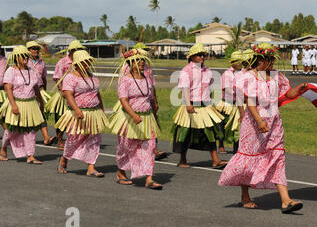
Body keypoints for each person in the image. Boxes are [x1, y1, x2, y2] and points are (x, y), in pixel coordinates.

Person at [218, 43, 307, 214]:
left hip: (275, 123)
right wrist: (259, 121)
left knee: (278, 156)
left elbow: (285, 94)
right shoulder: (249, 77)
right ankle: (245, 196)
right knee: (249, 159)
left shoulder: (275, 76)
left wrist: (299, 90)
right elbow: (250, 101)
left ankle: (286, 200)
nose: (273, 62)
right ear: (260, 60)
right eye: (270, 59)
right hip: (254, 124)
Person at [109, 49, 162, 189]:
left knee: (149, 148)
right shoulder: (125, 80)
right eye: (138, 60)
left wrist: (155, 117)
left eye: (143, 59)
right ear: (131, 63)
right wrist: (133, 115)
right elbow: (123, 100)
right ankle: (121, 173)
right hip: (129, 119)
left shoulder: (147, 79)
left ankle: (149, 178)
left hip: (146, 119)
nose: (142, 62)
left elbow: (150, 99)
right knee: (126, 146)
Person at [172, 43, 227, 169]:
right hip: (191, 105)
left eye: (204, 55)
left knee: (210, 132)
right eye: (199, 55)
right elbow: (185, 88)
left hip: (205, 105)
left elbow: (210, 87)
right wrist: (188, 104)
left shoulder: (207, 71)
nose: (202, 57)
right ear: (192, 57)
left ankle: (215, 160)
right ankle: (183, 159)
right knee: (186, 133)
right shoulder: (186, 71)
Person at [55, 50, 109, 177]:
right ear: (77, 63)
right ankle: (64, 159)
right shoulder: (70, 77)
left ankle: (91, 167)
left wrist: (101, 108)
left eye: (88, 61)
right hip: (78, 113)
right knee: (75, 138)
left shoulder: (92, 76)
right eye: (84, 62)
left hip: (93, 112)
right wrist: (77, 109)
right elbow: (68, 94)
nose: (87, 64)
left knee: (95, 139)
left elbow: (97, 93)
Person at [0, 46, 45, 163]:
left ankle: (30, 155)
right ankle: (4, 148)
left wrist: (41, 101)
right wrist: (13, 105)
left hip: (31, 104)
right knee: (11, 130)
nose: (25, 58)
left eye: (26, 56)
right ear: (16, 58)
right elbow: (8, 88)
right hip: (17, 103)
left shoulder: (31, 71)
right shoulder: (11, 71)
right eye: (23, 56)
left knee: (31, 130)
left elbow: (36, 88)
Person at [46, 40, 84, 150]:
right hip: (63, 95)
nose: (78, 52)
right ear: (71, 51)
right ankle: (60, 140)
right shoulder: (62, 62)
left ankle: (76, 140)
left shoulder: (81, 62)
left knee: (76, 119)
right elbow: (57, 77)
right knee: (61, 119)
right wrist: (62, 90)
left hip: (77, 95)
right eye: (77, 50)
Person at [26, 41, 55, 146]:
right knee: (28, 116)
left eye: (37, 48)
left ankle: (46, 138)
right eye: (33, 48)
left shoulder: (42, 62)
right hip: (28, 92)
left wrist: (44, 91)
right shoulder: (24, 61)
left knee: (41, 114)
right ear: (28, 50)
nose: (36, 50)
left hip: (40, 91)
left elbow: (44, 78)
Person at [216, 51, 242, 155]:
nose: (239, 64)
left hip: (237, 103)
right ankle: (221, 144)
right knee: (223, 125)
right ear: (233, 62)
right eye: (237, 62)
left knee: (236, 126)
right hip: (227, 103)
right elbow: (226, 89)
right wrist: (238, 93)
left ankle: (237, 146)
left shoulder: (241, 73)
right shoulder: (227, 74)